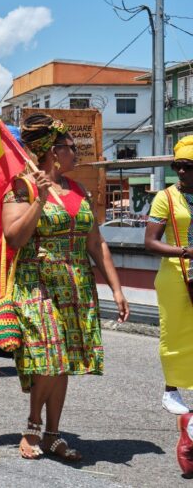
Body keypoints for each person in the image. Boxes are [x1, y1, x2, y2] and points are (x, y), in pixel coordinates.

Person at [2, 113, 129, 461]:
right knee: (48, 356)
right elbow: (13, 238)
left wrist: (115, 289)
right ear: (54, 152)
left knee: (64, 360)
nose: (77, 153)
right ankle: (32, 426)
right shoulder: (22, 186)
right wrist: (40, 200)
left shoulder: (78, 189)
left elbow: (96, 243)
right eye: (72, 148)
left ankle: (53, 435)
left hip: (76, 286)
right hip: (37, 283)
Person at [144, 136, 193, 415]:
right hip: (176, 275)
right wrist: (186, 251)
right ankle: (171, 389)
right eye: (178, 167)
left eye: (188, 166)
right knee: (174, 333)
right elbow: (150, 242)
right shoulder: (166, 197)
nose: (182, 171)